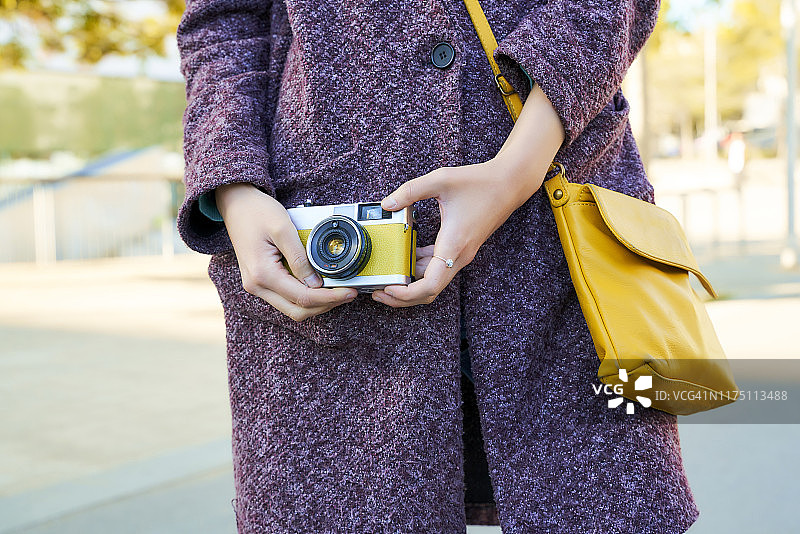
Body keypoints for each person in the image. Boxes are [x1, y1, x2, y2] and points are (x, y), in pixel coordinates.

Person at [176, 0, 699, 532]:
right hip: (324, 234)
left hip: (552, 208)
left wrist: (515, 171)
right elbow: (223, 22)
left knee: (601, 504)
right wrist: (233, 188)